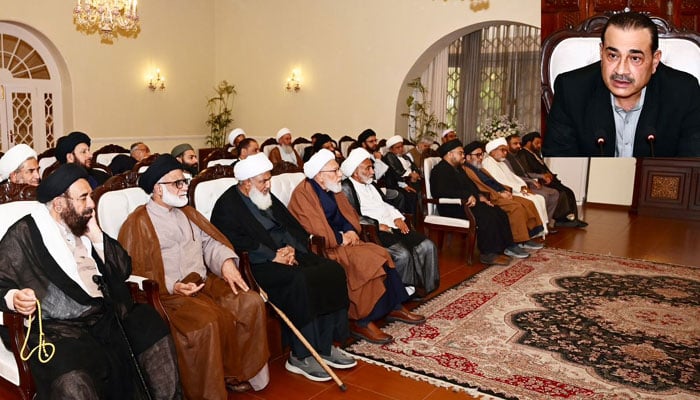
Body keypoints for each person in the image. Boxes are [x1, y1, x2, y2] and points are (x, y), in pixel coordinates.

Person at [0, 163, 182, 399]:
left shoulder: (82, 224)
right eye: (83, 198)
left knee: (148, 323)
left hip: (105, 315)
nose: (92, 204)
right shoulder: (24, 233)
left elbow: (123, 269)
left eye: (91, 196)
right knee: (69, 369)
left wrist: (96, 234)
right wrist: (14, 298)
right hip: (60, 328)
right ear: (59, 204)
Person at [118, 155, 270, 399]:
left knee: (249, 301)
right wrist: (173, 286)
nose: (184, 187)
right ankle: (210, 390)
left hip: (204, 283)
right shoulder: (138, 223)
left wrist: (226, 263)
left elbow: (210, 243)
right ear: (158, 189)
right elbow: (133, 272)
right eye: (177, 183)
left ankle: (239, 373)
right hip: (169, 296)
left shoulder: (188, 213)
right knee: (206, 322)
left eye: (184, 181)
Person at [210, 153, 356, 383]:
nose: (268, 185)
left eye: (269, 179)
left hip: (288, 254)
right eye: (263, 181)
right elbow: (234, 242)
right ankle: (301, 355)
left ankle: (326, 345)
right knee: (300, 280)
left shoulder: (264, 195)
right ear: (246, 183)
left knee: (332, 271)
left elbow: (291, 225)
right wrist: (272, 255)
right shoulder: (227, 206)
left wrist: (292, 249)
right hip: (258, 264)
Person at [288, 149, 425, 345]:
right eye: (335, 171)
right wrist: (340, 237)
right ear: (319, 175)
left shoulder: (333, 189)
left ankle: (394, 306)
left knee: (381, 253)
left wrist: (350, 230)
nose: (340, 175)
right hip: (325, 248)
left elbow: (349, 215)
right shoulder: (303, 194)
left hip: (346, 241)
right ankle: (362, 320)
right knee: (366, 262)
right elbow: (314, 228)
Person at [543, 11, 700, 157]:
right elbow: (558, 159)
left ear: (654, 61)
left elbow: (692, 162)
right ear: (601, 52)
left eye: (635, 58)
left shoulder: (684, 93)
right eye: (613, 55)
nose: (621, 70)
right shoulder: (571, 90)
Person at [340, 148, 440, 297]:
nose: (372, 172)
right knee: (402, 255)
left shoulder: (371, 184)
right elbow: (351, 216)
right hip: (374, 231)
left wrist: (397, 217)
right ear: (355, 171)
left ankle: (426, 287)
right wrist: (376, 225)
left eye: (372, 167)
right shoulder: (346, 188)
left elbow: (385, 204)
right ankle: (402, 293)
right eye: (368, 168)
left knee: (427, 245)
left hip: (392, 224)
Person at [430, 140, 530, 265]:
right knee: (486, 217)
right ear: (450, 154)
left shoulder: (458, 169)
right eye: (460, 153)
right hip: (451, 206)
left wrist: (479, 196)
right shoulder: (439, 170)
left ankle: (505, 246)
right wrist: (466, 195)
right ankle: (488, 254)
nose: (463, 155)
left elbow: (471, 186)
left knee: (498, 212)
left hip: (466, 203)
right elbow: (441, 191)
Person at [462, 141, 545, 249]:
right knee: (516, 207)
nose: (481, 158)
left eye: (481, 154)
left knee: (528, 203)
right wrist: (499, 194)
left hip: (499, 193)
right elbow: (479, 188)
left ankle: (527, 237)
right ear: (468, 157)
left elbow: (494, 182)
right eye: (478, 155)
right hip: (491, 197)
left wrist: (505, 190)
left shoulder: (480, 168)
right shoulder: (466, 170)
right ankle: (518, 241)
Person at [517, 132, 587, 228]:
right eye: (537, 143)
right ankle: (561, 220)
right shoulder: (522, 154)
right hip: (539, 181)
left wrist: (549, 174)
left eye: (540, 143)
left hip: (548, 180)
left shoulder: (535, 153)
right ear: (529, 142)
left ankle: (572, 218)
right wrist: (542, 176)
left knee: (569, 191)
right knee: (562, 193)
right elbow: (526, 172)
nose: (539, 146)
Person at [481, 138, 550, 234]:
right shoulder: (488, 163)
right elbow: (500, 181)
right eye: (502, 150)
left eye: (506, 150)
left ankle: (541, 229)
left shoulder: (501, 163)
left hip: (515, 189)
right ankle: (534, 231)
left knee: (540, 198)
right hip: (506, 192)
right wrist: (519, 189)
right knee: (532, 200)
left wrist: (522, 186)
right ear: (492, 151)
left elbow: (513, 177)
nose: (505, 153)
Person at [505, 134, 560, 230]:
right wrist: (531, 181)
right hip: (520, 186)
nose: (519, 146)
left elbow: (526, 173)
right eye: (515, 144)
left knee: (554, 193)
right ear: (507, 145)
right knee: (544, 195)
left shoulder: (519, 156)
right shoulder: (506, 160)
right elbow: (514, 177)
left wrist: (541, 176)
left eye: (519, 143)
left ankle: (546, 222)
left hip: (529, 182)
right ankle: (539, 225)